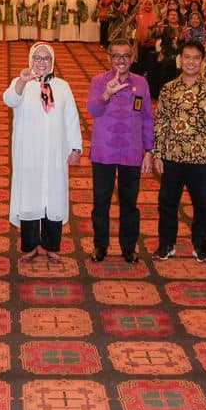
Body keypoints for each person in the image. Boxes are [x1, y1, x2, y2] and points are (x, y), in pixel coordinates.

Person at [152, 40, 206, 262]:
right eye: (187, 57)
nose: (191, 62)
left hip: (202, 159)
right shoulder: (168, 89)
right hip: (172, 157)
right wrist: (158, 153)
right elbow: (161, 123)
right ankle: (166, 244)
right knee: (167, 204)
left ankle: (201, 245)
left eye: (196, 58)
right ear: (180, 59)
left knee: (203, 205)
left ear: (202, 61)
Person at [5, 42, 83, 259]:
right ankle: (30, 247)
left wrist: (75, 147)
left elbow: (72, 119)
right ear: (31, 60)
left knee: (54, 195)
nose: (41, 62)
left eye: (46, 58)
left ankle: (50, 246)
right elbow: (10, 99)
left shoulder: (63, 86)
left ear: (52, 62)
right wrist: (22, 81)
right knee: (30, 196)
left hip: (56, 153)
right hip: (29, 152)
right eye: (37, 58)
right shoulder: (21, 83)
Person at [86, 40, 154, 262]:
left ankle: (128, 247)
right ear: (109, 58)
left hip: (131, 152)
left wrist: (149, 151)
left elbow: (147, 118)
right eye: (116, 56)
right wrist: (106, 94)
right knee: (101, 202)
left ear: (132, 58)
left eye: (125, 56)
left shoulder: (141, 83)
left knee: (129, 204)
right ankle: (100, 246)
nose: (121, 60)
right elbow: (92, 110)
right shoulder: (99, 81)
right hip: (104, 151)